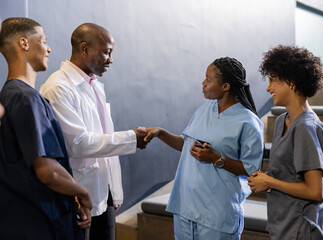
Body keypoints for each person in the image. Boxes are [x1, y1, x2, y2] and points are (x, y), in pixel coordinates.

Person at [40, 23, 147, 240]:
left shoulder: (93, 84)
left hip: (103, 193)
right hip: (78, 197)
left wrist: (114, 191)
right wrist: (131, 138)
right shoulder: (59, 87)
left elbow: (103, 136)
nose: (111, 59)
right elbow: (78, 143)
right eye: (106, 52)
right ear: (84, 48)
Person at [144, 57, 264, 239]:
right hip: (186, 207)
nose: (203, 83)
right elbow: (186, 146)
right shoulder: (204, 108)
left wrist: (217, 158)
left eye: (208, 79)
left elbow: (252, 170)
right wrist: (160, 133)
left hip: (217, 214)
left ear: (225, 86)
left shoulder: (248, 121)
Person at [0, 17, 92, 240]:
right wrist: (82, 192)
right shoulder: (27, 99)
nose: (49, 48)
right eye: (43, 40)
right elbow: (48, 171)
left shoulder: (7, 96)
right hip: (41, 222)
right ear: (24, 43)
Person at [247, 45, 323, 239]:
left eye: (273, 80)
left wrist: (269, 181)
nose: (269, 87)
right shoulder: (281, 121)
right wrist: (267, 179)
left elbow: (314, 191)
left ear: (291, 82)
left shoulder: (306, 127)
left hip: (302, 228)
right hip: (283, 223)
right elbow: (292, 174)